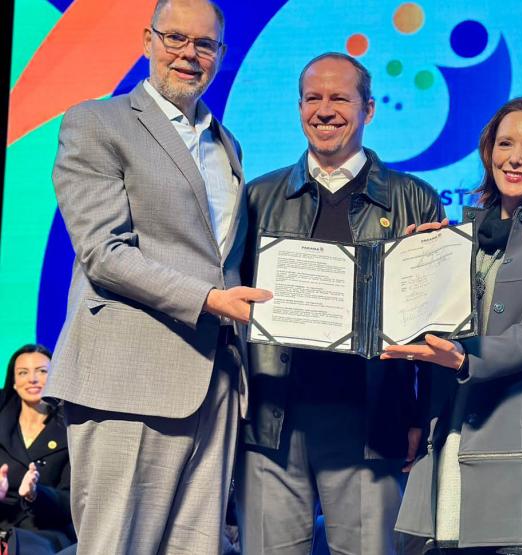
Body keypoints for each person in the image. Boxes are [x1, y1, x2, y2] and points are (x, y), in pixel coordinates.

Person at [48, 0, 271, 552]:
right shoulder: (97, 122)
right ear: (146, 39)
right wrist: (211, 300)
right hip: (129, 376)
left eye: (204, 45)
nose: (188, 55)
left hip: (215, 381)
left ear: (221, 54)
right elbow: (103, 252)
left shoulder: (227, 144)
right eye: (175, 38)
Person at [237, 52, 445, 555]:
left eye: (339, 98)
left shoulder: (414, 199)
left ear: (369, 110)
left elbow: (438, 328)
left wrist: (423, 419)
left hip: (369, 426)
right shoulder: (257, 197)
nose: (324, 110)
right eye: (313, 98)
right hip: (272, 424)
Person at [383, 97, 522, 554]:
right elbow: (421, 324)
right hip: (453, 432)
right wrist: (410, 264)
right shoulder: (452, 236)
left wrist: (469, 357)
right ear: (488, 152)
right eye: (505, 143)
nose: (515, 158)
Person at [0, 345, 74, 554]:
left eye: (42, 371)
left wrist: (36, 494)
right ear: (14, 382)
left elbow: (74, 501)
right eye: (23, 372)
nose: (32, 379)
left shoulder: (71, 430)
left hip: (45, 534)